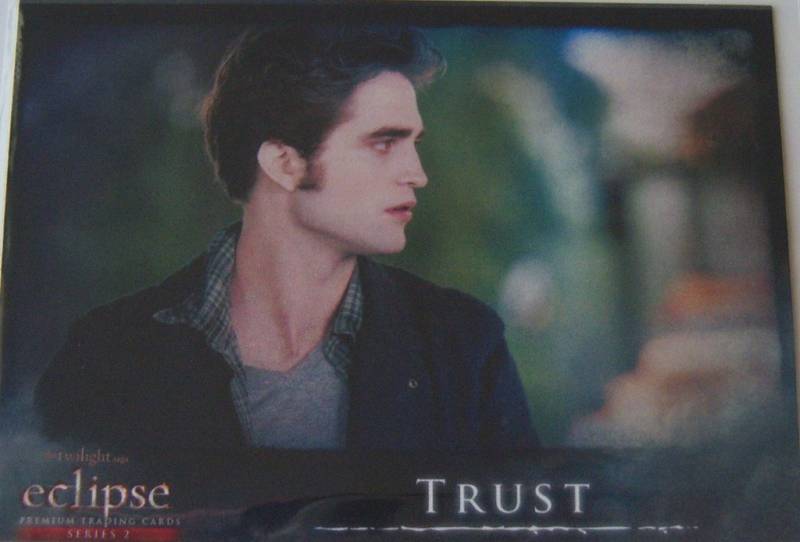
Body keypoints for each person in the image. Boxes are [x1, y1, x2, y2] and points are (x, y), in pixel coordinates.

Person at [35, 24, 537, 452]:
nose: (417, 174)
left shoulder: (465, 348)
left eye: (413, 143)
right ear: (283, 162)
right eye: (384, 143)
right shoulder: (105, 356)